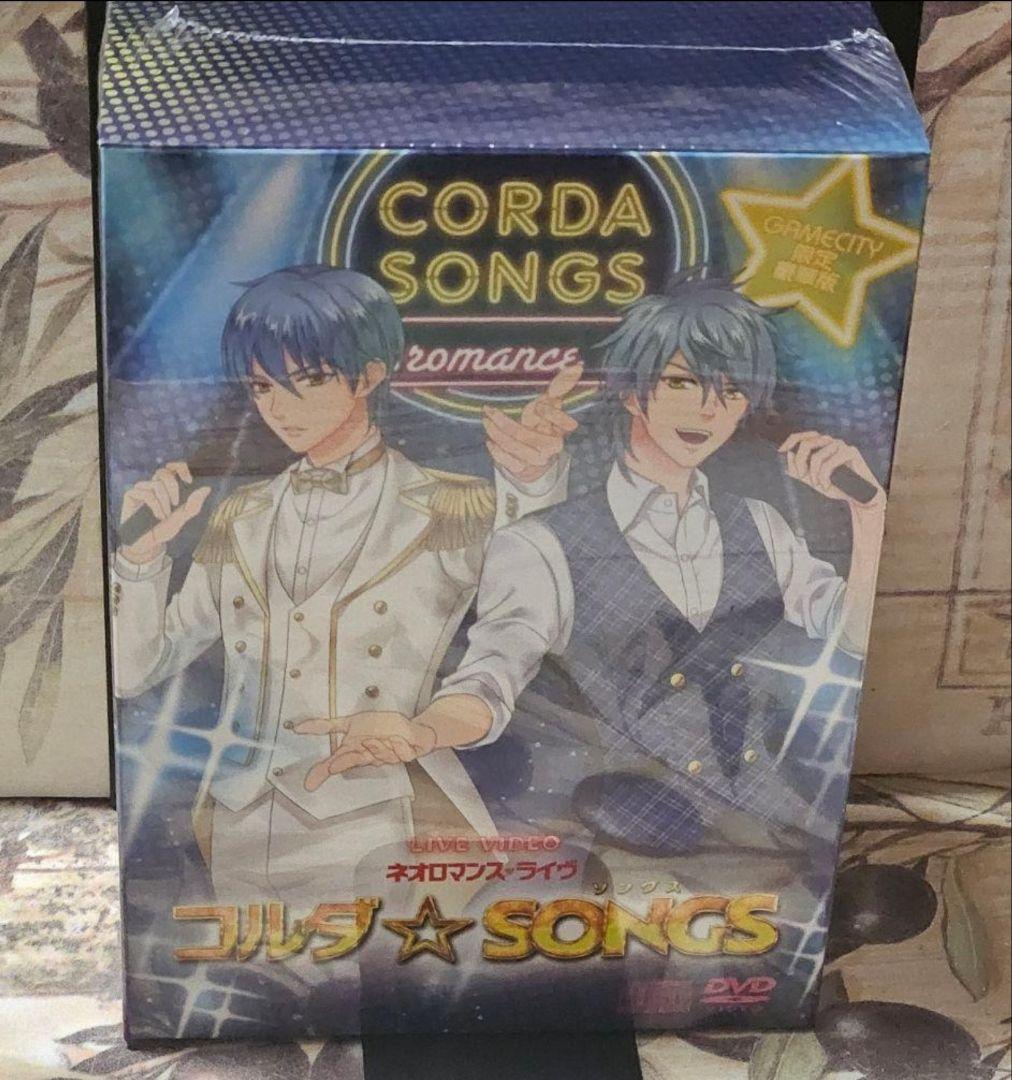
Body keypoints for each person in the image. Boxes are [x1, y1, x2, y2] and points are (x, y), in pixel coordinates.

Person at [301, 273, 888, 854]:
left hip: (788, 820)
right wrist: (425, 730)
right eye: (682, 382)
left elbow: (853, 637)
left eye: (731, 392)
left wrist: (870, 515)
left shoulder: (759, 523)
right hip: (646, 833)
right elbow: (494, 670)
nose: (707, 409)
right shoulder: (543, 543)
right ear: (633, 392)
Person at [110, 265, 574, 903]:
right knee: (254, 966)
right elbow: (133, 671)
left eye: (310, 379)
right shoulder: (239, 516)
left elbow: (517, 632)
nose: (281, 406)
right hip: (240, 816)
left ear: (371, 374)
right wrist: (139, 560)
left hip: (383, 816)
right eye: (263, 386)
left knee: (385, 965)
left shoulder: (453, 508)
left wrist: (431, 728)